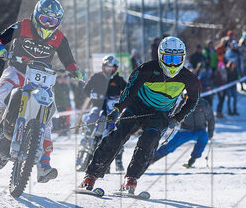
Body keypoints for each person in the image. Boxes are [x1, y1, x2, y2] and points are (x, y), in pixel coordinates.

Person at [0, 0, 85, 182]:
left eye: (53, 21)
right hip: (17, 70)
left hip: (42, 79)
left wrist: (75, 71)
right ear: (37, 16)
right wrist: (1, 49)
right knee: (2, 91)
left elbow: (69, 61)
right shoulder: (24, 26)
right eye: (45, 19)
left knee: (48, 118)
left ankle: (44, 164)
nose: (48, 24)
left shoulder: (59, 38)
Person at [80, 36, 202, 196]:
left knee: (149, 141)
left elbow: (193, 100)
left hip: (160, 114)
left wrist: (177, 118)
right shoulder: (146, 69)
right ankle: (90, 176)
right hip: (136, 108)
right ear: (160, 56)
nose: (172, 64)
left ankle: (131, 179)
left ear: (183, 58)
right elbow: (129, 92)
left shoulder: (188, 78)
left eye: (176, 59)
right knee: (117, 137)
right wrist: (118, 109)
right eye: (168, 59)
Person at [80, 54, 128, 172]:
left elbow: (128, 91)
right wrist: (92, 95)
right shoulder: (97, 77)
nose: (109, 70)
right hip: (98, 106)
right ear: (103, 67)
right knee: (92, 117)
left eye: (112, 68)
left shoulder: (119, 80)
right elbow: (86, 89)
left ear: (115, 68)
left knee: (118, 130)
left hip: (113, 109)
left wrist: (122, 99)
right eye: (107, 67)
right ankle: (87, 137)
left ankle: (118, 160)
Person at [152, 78, 215, 168]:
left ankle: (193, 158)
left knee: (204, 136)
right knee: (171, 146)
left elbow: (211, 118)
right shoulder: (182, 104)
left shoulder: (203, 104)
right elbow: (173, 115)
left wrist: (210, 132)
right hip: (185, 130)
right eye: (186, 97)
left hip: (199, 130)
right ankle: (152, 158)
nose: (189, 99)